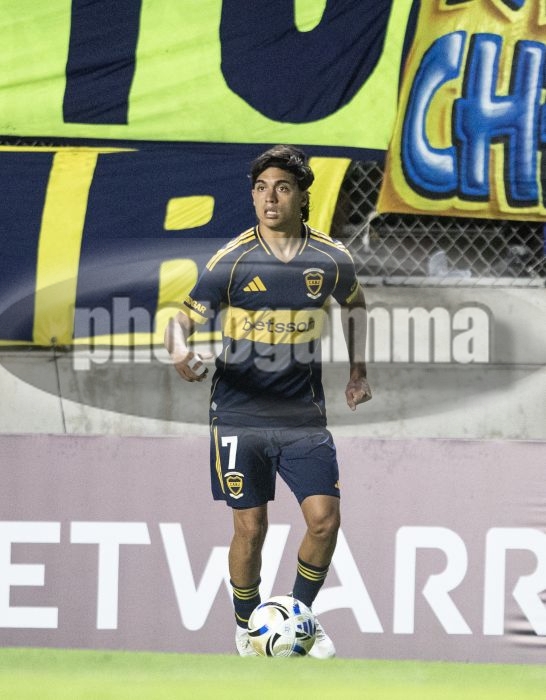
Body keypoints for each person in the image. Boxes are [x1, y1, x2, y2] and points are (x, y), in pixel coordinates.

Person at [164, 145, 372, 658]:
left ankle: (298, 617)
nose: (269, 198)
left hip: (303, 415)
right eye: (260, 189)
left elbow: (355, 306)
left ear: (302, 195)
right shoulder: (233, 260)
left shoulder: (331, 258)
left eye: (281, 187)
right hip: (239, 413)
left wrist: (358, 372)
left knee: (324, 521)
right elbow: (180, 321)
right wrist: (179, 351)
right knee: (250, 528)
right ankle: (247, 629)